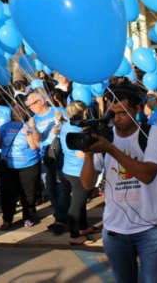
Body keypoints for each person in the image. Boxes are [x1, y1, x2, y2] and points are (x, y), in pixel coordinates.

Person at [80, 84, 157, 282]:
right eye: (113, 113)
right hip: (114, 230)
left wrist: (111, 149)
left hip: (151, 228)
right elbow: (87, 184)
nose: (117, 118)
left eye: (123, 113)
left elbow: (147, 174)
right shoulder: (106, 138)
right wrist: (88, 154)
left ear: (137, 109)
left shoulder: (153, 133)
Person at [0, 103, 41, 230]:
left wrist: (30, 131)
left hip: (28, 165)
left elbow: (35, 146)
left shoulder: (31, 124)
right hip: (8, 166)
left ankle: (28, 217)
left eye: (19, 110)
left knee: (28, 193)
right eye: (14, 110)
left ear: (25, 111)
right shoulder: (6, 126)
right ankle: (7, 219)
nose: (16, 112)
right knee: (7, 194)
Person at [26, 92, 68, 235]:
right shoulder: (34, 119)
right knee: (49, 186)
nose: (30, 107)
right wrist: (33, 128)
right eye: (28, 106)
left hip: (62, 153)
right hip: (46, 155)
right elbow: (37, 143)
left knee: (63, 186)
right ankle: (60, 215)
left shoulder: (58, 111)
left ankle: (61, 219)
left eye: (31, 104)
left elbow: (71, 127)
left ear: (41, 101)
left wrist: (61, 120)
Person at [58, 101, 96, 245]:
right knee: (77, 204)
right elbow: (81, 154)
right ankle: (74, 235)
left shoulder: (66, 125)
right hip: (78, 170)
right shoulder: (78, 129)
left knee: (81, 201)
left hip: (69, 168)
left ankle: (83, 227)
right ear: (83, 113)